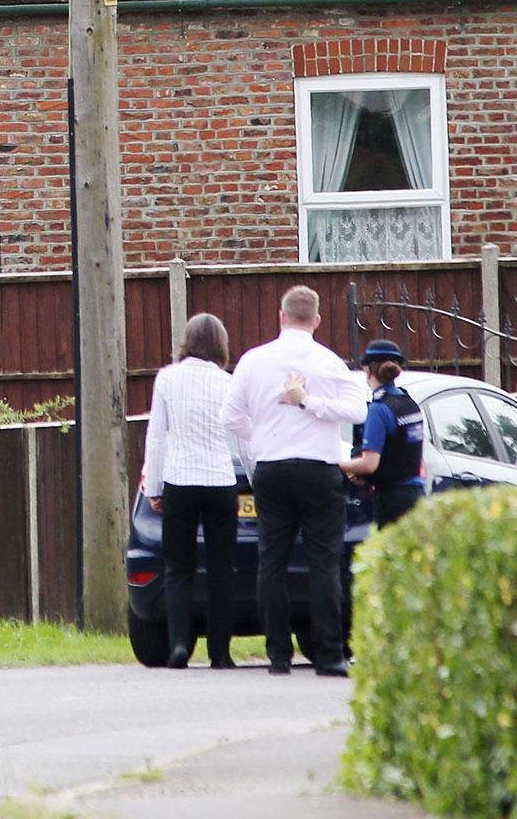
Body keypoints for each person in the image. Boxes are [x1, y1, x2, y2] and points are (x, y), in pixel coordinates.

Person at [223, 284, 366, 677]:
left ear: (281, 316)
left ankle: (278, 655)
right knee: (324, 561)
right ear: (317, 320)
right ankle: (329, 653)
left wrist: (264, 435)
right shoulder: (330, 362)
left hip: (272, 467)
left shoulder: (254, 361)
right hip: (319, 468)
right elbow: (358, 408)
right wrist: (316, 406)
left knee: (272, 560)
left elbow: (230, 417)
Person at [143, 313, 238, 669]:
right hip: (220, 480)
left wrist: (154, 485)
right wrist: (255, 474)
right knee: (221, 568)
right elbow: (241, 434)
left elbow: (156, 437)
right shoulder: (228, 382)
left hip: (180, 480)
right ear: (221, 345)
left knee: (178, 568)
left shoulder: (167, 379)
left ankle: (179, 643)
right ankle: (220, 652)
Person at [340, 340, 426, 528]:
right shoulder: (408, 402)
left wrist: (335, 466)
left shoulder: (379, 409)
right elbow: (402, 453)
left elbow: (369, 464)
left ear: (368, 371)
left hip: (391, 501)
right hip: (416, 495)